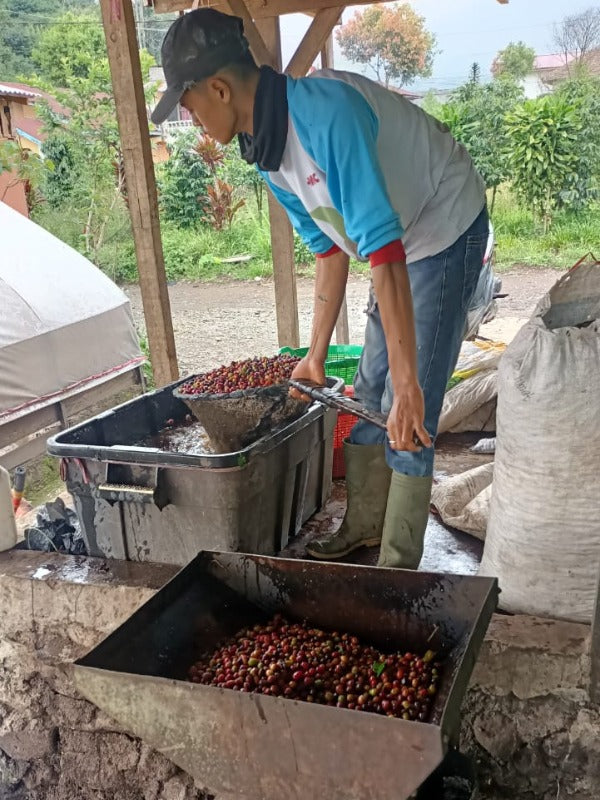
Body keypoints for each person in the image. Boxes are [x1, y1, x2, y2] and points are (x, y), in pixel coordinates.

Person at [152, 9, 489, 569]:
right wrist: (312, 357)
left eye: (186, 102)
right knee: (369, 386)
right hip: (396, 244)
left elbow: (384, 255)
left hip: (442, 223)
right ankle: (363, 525)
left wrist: (411, 384)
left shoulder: (326, 117)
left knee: (410, 406)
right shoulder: (266, 152)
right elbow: (331, 252)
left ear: (217, 88)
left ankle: (399, 562)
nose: (187, 113)